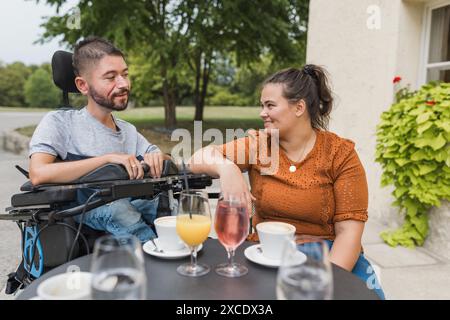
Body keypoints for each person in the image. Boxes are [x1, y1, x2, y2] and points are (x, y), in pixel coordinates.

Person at [188, 65, 385, 299]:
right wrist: (227, 168)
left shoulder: (339, 154)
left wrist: (322, 285)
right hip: (264, 255)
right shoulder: (258, 145)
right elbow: (196, 159)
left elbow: (348, 235)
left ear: (299, 107)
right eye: (262, 105)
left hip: (326, 259)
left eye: (270, 105)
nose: (262, 112)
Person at [29, 36, 170, 243]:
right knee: (120, 211)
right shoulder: (60, 122)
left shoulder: (128, 130)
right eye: (111, 77)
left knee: (167, 204)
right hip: (83, 209)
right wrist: (108, 159)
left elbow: (161, 156)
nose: (123, 84)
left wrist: (158, 157)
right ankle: (154, 260)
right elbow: (38, 174)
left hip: (127, 202)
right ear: (83, 85)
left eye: (125, 74)